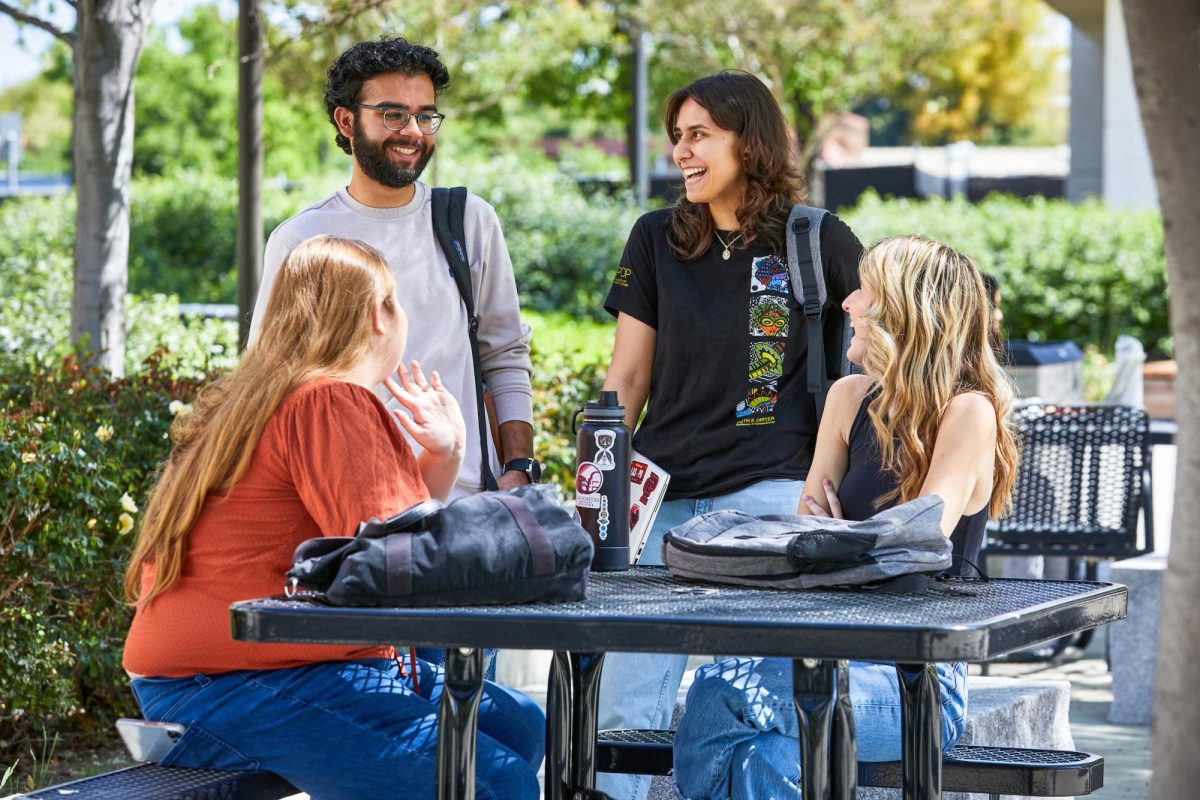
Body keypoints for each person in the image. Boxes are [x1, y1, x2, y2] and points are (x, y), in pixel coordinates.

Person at [122, 236, 545, 800]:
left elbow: (375, 539)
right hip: (233, 683)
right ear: (378, 312)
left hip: (206, 676)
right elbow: (410, 566)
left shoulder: (251, 398)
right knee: (494, 782)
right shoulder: (329, 399)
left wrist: (441, 460)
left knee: (519, 725)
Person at [671, 235, 1020, 800]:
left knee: (720, 685)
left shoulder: (968, 411)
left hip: (912, 681)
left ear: (907, 311)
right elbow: (800, 543)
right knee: (767, 756)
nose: (848, 303)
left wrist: (835, 536)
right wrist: (849, 541)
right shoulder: (848, 397)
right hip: (822, 651)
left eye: (866, 291)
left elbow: (916, 537)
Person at [598, 70, 864, 800]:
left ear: (748, 140)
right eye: (677, 137)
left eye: (699, 136)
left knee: (758, 691)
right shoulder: (655, 238)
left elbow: (881, 353)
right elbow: (626, 380)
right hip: (662, 495)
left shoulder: (817, 239)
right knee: (622, 699)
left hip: (774, 492)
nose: (682, 152)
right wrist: (602, 498)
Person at [251, 36, 540, 500]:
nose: (413, 131)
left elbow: (504, 354)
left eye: (425, 115)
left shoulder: (469, 221)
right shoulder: (301, 239)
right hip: (348, 509)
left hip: (464, 506)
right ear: (347, 121)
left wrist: (519, 468)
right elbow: (266, 385)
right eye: (393, 115)